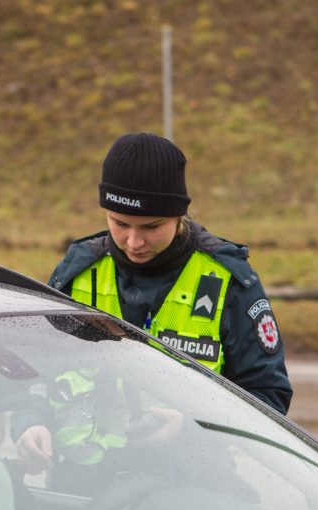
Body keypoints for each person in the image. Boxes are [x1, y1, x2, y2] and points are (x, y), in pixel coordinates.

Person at [15, 132, 292, 474]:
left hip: (191, 486)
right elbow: (36, 370)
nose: (134, 242)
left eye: (151, 226)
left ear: (179, 215)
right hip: (83, 488)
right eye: (119, 223)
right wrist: (30, 423)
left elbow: (269, 399)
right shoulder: (78, 273)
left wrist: (191, 427)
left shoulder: (226, 281)